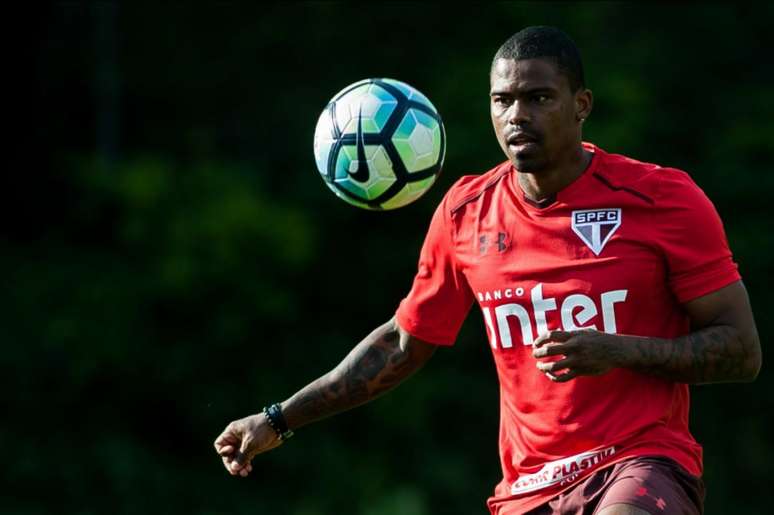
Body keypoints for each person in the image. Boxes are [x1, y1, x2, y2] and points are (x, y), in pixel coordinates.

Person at [214, 26, 761, 515]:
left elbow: (742, 351)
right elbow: (403, 345)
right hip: (526, 489)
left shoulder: (661, 197)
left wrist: (617, 349)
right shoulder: (464, 212)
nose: (517, 116)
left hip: (642, 461)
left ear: (582, 105)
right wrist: (279, 419)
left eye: (538, 97)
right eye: (502, 101)